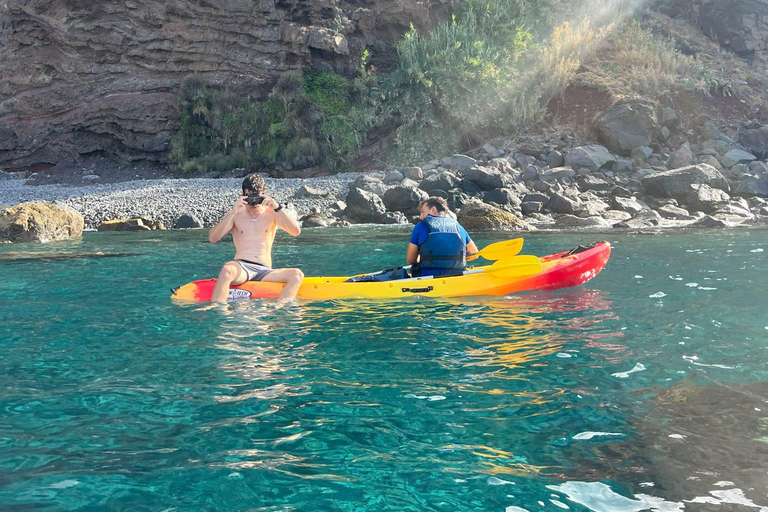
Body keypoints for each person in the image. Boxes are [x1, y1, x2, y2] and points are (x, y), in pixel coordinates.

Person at [209, 173, 303, 302]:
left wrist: (278, 208)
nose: (253, 203)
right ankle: (217, 309)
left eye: (256, 197)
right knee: (227, 270)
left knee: (297, 275)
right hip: (242, 266)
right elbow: (213, 238)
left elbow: (296, 231)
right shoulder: (237, 214)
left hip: (264, 270)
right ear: (243, 195)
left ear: (264, 194)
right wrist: (232, 211)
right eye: (249, 197)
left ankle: (279, 308)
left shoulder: (272, 214)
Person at [406, 196, 478, 277]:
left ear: (433, 209)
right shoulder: (457, 226)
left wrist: (423, 258)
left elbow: (410, 260)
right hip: (458, 276)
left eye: (423, 212)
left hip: (429, 277)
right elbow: (474, 253)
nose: (420, 216)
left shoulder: (421, 226)